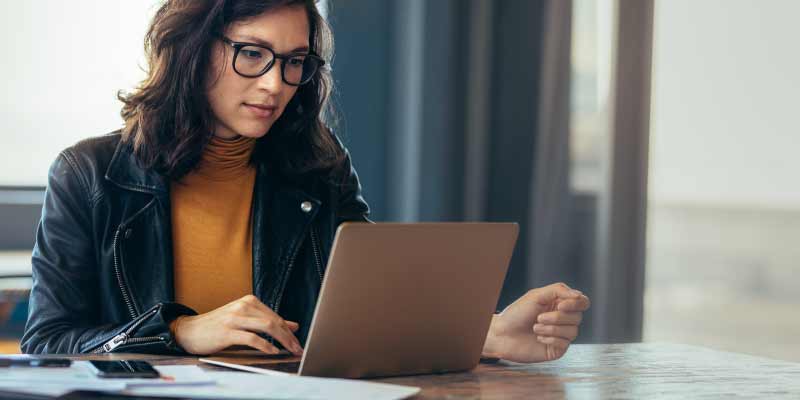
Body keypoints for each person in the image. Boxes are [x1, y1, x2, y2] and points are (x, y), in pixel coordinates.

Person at [21, 0, 590, 363]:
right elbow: (47, 344)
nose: (275, 84)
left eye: (295, 61)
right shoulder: (90, 174)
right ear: (191, 51)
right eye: (252, 54)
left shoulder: (318, 166)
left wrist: (485, 334)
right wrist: (181, 332)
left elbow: (367, 314)